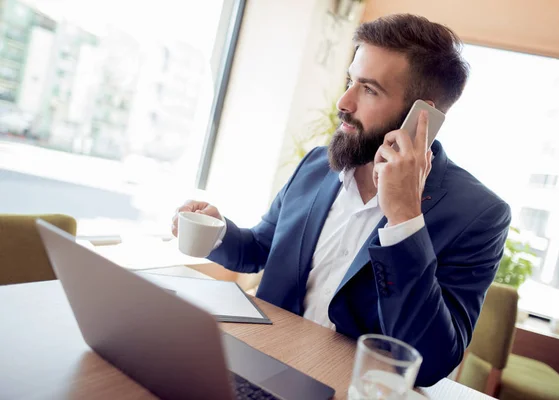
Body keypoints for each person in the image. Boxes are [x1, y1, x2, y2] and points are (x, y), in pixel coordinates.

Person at [171, 14, 510, 386]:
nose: (343, 101)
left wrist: (404, 219)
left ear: (421, 116)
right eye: (351, 81)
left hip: (346, 388)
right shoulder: (317, 165)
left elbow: (430, 363)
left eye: (369, 89)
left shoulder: (479, 214)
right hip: (257, 365)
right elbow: (260, 249)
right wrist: (217, 231)